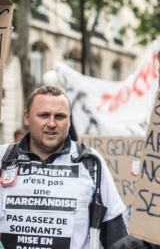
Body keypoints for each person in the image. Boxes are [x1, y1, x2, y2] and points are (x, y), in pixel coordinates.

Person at [0, 86, 127, 249]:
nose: (51, 123)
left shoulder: (90, 162)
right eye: (43, 115)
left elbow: (115, 234)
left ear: (69, 120)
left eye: (59, 116)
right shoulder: (2, 158)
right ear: (26, 117)